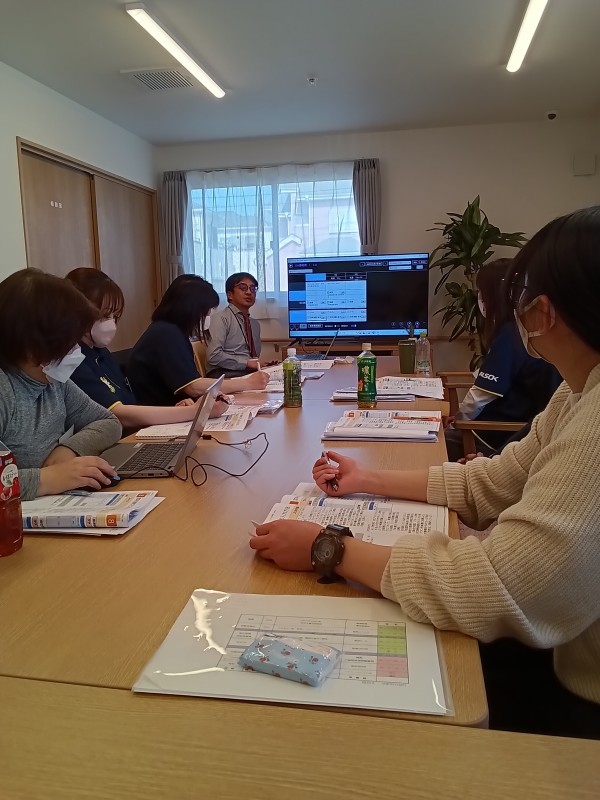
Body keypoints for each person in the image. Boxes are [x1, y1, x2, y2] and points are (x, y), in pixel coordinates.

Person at [249, 206, 600, 738]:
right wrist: (367, 479)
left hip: (577, 697)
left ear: (541, 311)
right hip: (562, 648)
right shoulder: (578, 393)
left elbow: (500, 585)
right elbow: (493, 483)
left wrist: (329, 547)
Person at [0, 269, 122, 500]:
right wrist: (48, 478)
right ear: (33, 345)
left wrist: (68, 450)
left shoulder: (53, 382)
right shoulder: (5, 388)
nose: (76, 349)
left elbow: (109, 422)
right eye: (69, 341)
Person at [65, 268, 229, 429]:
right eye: (105, 316)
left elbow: (129, 404)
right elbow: (118, 414)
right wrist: (194, 411)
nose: (112, 324)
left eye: (115, 316)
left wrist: (179, 411)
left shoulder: (100, 351)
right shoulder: (72, 359)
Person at [444, 258, 561, 461]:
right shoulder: (518, 330)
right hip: (504, 429)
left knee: (433, 441)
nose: (479, 299)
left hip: (494, 436)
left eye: (481, 293)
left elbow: (481, 395)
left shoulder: (511, 335)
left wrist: (458, 422)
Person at [127, 274, 269, 406]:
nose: (207, 314)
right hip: (160, 413)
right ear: (191, 308)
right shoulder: (166, 333)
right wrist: (248, 383)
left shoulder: (169, 330)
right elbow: (193, 387)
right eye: (205, 309)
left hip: (176, 406)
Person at [206, 272, 263, 377]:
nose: (249, 292)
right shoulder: (221, 318)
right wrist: (246, 363)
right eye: (243, 288)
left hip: (246, 372)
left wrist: (260, 365)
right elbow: (213, 356)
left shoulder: (255, 324)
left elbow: (253, 357)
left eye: (253, 289)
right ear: (230, 295)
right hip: (222, 373)